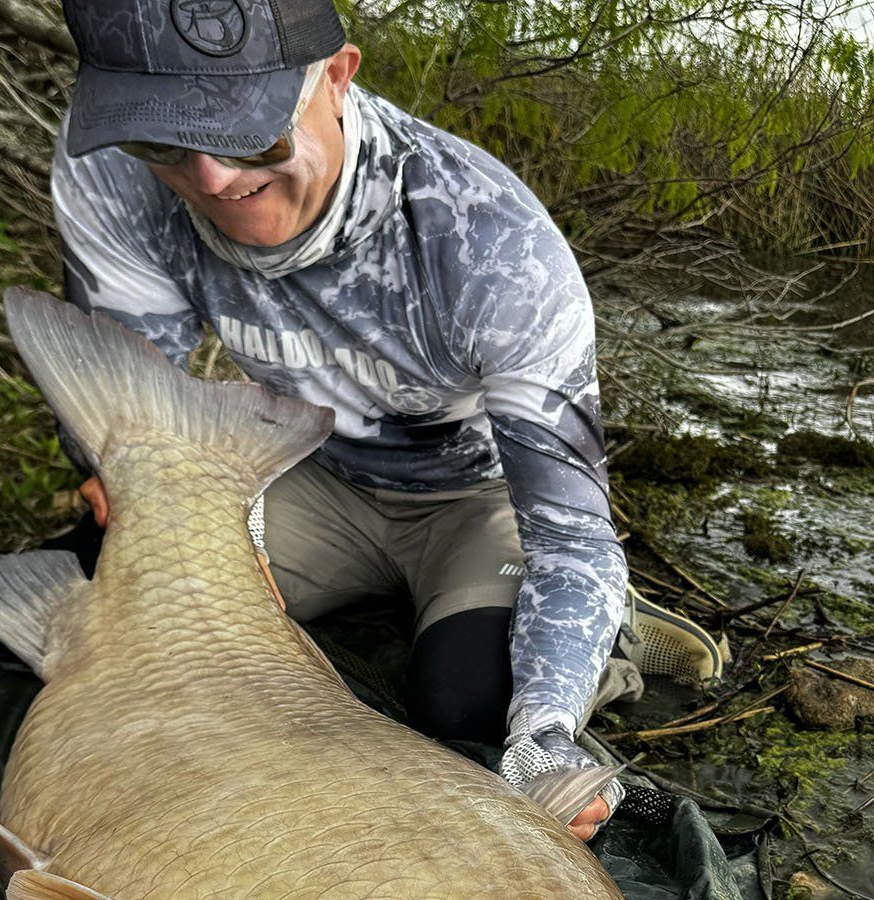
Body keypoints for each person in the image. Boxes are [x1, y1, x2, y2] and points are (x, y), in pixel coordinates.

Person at [50, 0, 723, 841]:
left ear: (336, 78)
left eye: (249, 136)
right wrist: (216, 528)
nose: (211, 180)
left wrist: (543, 736)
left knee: (470, 702)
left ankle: (606, 627)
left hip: (474, 499)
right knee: (101, 598)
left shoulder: (493, 248)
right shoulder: (108, 170)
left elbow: (567, 532)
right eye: (162, 144)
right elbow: (128, 400)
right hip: (304, 470)